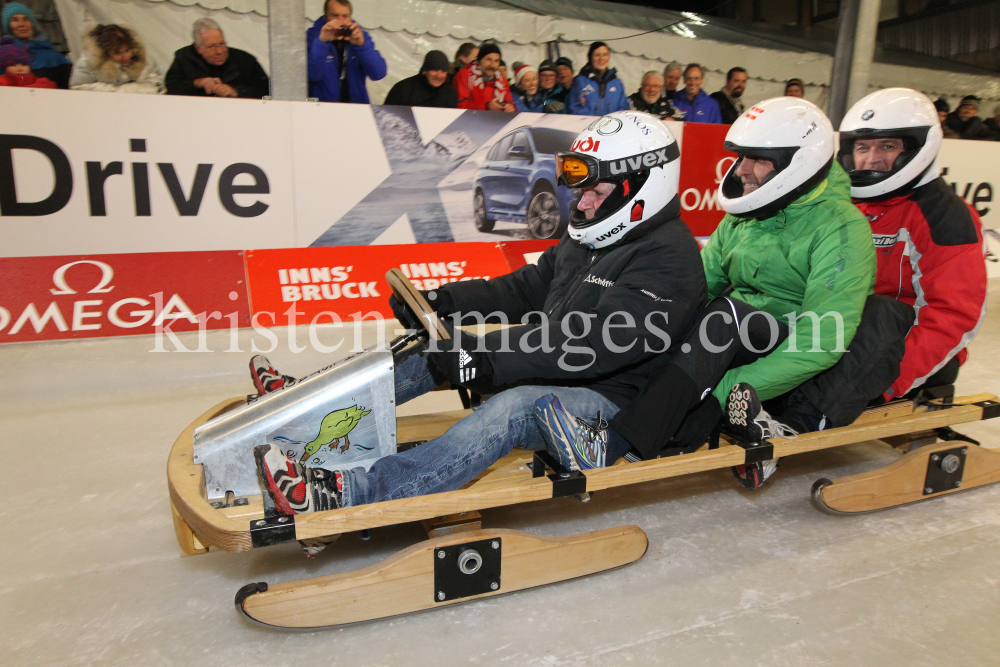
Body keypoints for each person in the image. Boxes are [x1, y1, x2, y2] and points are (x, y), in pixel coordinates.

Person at [253, 111, 708, 518]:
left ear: (644, 182)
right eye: (581, 190)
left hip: (610, 402)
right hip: (558, 370)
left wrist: (485, 355)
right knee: (433, 345)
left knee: (510, 407)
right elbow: (525, 287)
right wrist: (445, 302)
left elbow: (594, 343)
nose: (582, 203)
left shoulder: (670, 257)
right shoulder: (589, 236)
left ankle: (354, 493)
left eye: (597, 191)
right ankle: (311, 400)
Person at [539, 98, 875, 492]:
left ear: (795, 161)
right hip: (739, 334)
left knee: (723, 315)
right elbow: (697, 285)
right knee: (687, 317)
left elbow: (821, 342)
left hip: (791, 349)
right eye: (741, 157)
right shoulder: (745, 217)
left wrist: (720, 388)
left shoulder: (842, 228)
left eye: (757, 159)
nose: (742, 170)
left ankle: (615, 442)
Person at [772, 89, 988, 435]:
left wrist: (885, 379)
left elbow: (953, 315)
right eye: (862, 148)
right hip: (839, 337)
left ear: (916, 149)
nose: (871, 159)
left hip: (900, 354)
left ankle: (798, 422)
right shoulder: (847, 204)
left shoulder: (944, 216)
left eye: (887, 147)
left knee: (882, 310)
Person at [165, 18, 269, 98]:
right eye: (211, 46)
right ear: (198, 48)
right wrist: (198, 83)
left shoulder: (245, 59)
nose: (219, 51)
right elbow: (171, 87)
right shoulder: (184, 57)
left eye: (222, 44)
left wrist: (236, 91)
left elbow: (266, 88)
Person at [306, 0, 385, 103]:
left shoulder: (360, 36)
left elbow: (378, 73)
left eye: (345, 16)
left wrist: (361, 46)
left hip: (356, 108)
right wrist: (322, 42)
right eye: (334, 16)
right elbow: (313, 75)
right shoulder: (312, 36)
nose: (340, 21)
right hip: (322, 108)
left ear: (351, 16)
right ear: (325, 16)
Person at [69, 24, 163, 94]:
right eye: (118, 53)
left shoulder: (142, 59)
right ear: (105, 53)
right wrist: (118, 91)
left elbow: (158, 84)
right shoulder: (88, 63)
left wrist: (136, 89)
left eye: (127, 50)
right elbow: (78, 88)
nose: (125, 56)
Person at [1, 2, 69, 88]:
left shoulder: (55, 58)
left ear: (32, 23)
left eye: (26, 19)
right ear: (8, 26)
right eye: (15, 20)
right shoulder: (3, 56)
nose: (21, 24)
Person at [568, 41, 628, 116]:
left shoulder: (617, 83)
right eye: (597, 55)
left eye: (605, 54)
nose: (601, 58)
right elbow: (573, 108)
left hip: (611, 126)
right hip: (587, 126)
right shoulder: (580, 81)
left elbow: (624, 108)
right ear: (590, 57)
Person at [452, 42, 515, 112]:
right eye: (489, 59)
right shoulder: (465, 75)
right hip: (470, 121)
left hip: (495, 121)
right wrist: (487, 107)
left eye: (496, 61)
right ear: (479, 60)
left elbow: (510, 103)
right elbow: (459, 106)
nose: (493, 65)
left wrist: (509, 108)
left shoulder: (502, 80)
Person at [383, 50, 456, 108]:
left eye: (443, 71)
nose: (439, 76)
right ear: (424, 71)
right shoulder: (402, 89)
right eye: (435, 70)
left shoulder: (449, 93)